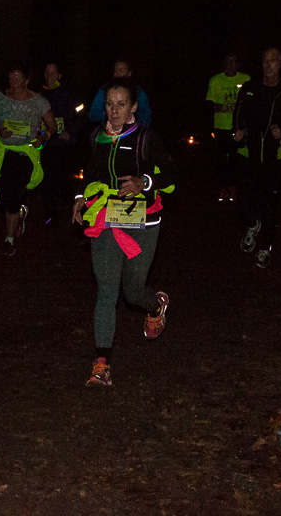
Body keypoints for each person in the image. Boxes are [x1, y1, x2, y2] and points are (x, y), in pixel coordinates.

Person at [73, 77, 177, 387]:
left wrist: (144, 182)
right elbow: (90, 172)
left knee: (132, 291)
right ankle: (101, 364)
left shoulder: (146, 138)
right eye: (109, 104)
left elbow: (171, 173)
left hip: (143, 222)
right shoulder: (97, 136)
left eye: (121, 104)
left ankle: (155, 306)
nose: (114, 110)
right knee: (107, 289)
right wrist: (79, 198)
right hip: (106, 218)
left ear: (133, 107)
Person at [232, 47, 281, 269]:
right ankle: (252, 226)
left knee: (270, 205)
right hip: (248, 154)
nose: (268, 65)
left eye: (273, 60)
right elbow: (238, 114)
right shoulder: (250, 88)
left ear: (280, 63)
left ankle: (265, 248)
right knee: (244, 200)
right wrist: (239, 131)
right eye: (265, 60)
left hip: (273, 156)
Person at [0, 66, 57, 256]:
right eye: (11, 78)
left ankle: (9, 240)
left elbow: (52, 127)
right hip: (3, 152)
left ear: (26, 80)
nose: (14, 82)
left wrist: (43, 137)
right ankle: (20, 212)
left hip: (25, 154)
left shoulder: (38, 101)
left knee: (12, 194)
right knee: (3, 197)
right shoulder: (0, 98)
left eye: (18, 78)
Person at [40, 62, 85, 224]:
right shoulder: (39, 94)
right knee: (45, 181)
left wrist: (70, 132)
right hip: (44, 145)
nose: (49, 76)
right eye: (47, 73)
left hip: (62, 145)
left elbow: (81, 113)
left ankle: (77, 211)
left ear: (59, 75)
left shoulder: (68, 94)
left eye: (53, 73)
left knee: (61, 182)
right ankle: (50, 216)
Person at [205, 53, 251, 201]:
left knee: (237, 158)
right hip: (221, 126)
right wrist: (223, 107)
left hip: (239, 127)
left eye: (233, 62)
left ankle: (234, 187)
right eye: (228, 62)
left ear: (238, 64)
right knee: (221, 159)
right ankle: (223, 187)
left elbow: (251, 101)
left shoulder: (245, 79)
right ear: (224, 64)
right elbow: (210, 103)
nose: (230, 65)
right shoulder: (216, 80)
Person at [87, 60, 151, 128]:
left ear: (129, 73)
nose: (117, 74)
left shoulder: (139, 92)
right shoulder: (104, 90)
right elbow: (94, 115)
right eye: (115, 71)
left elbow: (145, 119)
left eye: (121, 70)